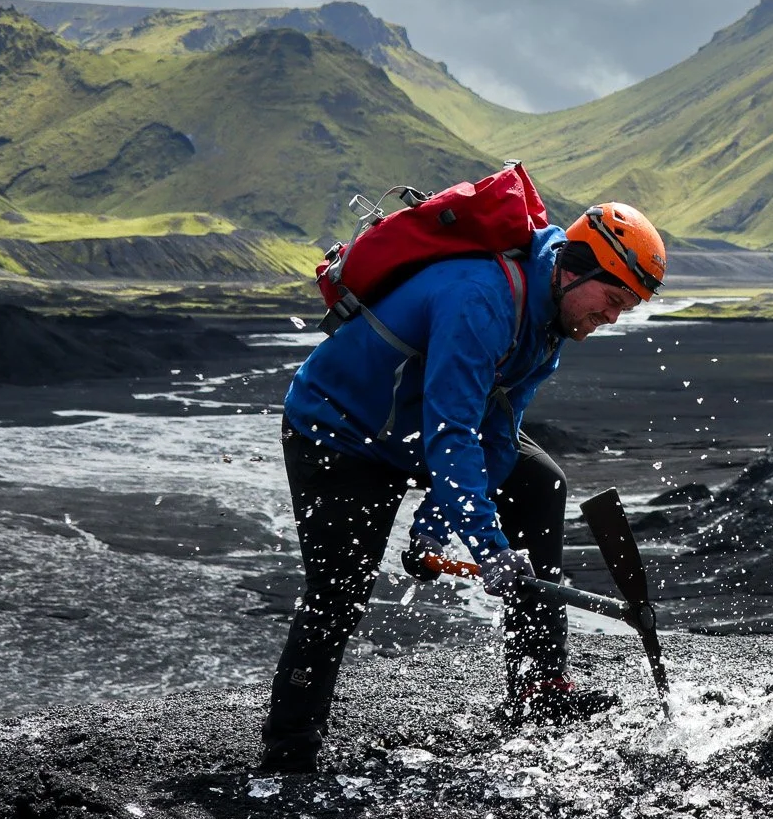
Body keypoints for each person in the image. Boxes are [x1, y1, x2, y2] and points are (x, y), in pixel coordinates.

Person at [259, 201, 667, 773]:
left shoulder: (550, 321)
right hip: (342, 432)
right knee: (339, 591)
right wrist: (490, 549)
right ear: (576, 271)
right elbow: (452, 435)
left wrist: (432, 527)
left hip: (413, 428)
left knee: (538, 483)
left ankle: (540, 689)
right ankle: (288, 753)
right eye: (615, 300)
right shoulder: (481, 297)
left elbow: (497, 433)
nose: (615, 317)